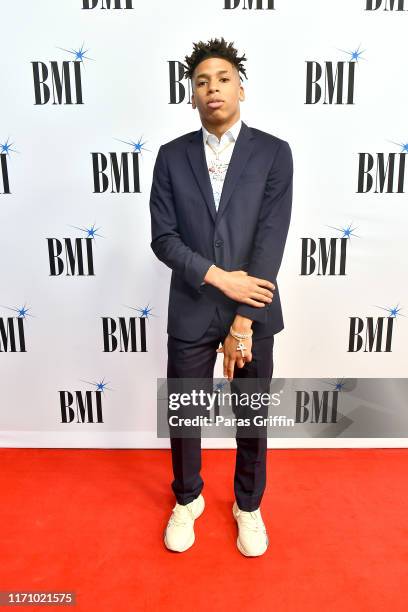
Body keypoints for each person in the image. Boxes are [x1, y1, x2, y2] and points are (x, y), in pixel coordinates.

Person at [149, 37, 293, 556]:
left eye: (223, 79)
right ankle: (187, 499)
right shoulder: (170, 157)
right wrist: (217, 276)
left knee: (251, 416)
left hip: (251, 313)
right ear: (192, 95)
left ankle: (248, 506)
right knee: (185, 415)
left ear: (241, 88)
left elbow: (270, 239)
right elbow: (164, 238)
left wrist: (242, 319)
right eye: (202, 82)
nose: (213, 89)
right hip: (189, 308)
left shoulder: (275, 153)